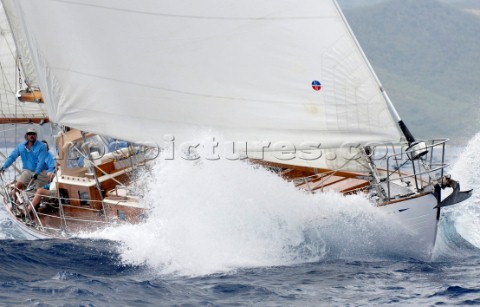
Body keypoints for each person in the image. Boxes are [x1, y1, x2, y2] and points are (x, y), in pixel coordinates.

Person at [0, 128, 49, 197]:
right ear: (26, 136)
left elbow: (41, 162)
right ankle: (15, 202)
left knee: (41, 194)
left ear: (36, 136)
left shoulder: (42, 146)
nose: (31, 135)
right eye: (29, 134)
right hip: (27, 171)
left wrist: (36, 173)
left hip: (40, 172)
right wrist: (3, 167)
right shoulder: (20, 146)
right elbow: (12, 157)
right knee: (18, 186)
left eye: (33, 134)